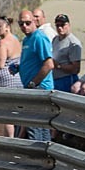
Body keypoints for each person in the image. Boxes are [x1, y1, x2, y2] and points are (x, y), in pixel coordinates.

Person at [17, 10, 54, 141]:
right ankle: (43, 155)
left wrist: (34, 83)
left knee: (35, 125)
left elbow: (49, 64)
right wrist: (19, 68)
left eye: (28, 23)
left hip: (40, 87)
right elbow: (32, 61)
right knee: (38, 126)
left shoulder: (39, 37)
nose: (25, 27)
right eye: (21, 24)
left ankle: (39, 156)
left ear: (34, 21)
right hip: (31, 87)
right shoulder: (27, 39)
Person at [51, 14, 82, 93]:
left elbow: (76, 69)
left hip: (67, 79)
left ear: (68, 25)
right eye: (57, 25)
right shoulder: (55, 39)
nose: (60, 28)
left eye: (62, 25)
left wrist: (58, 65)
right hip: (54, 79)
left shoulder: (73, 43)